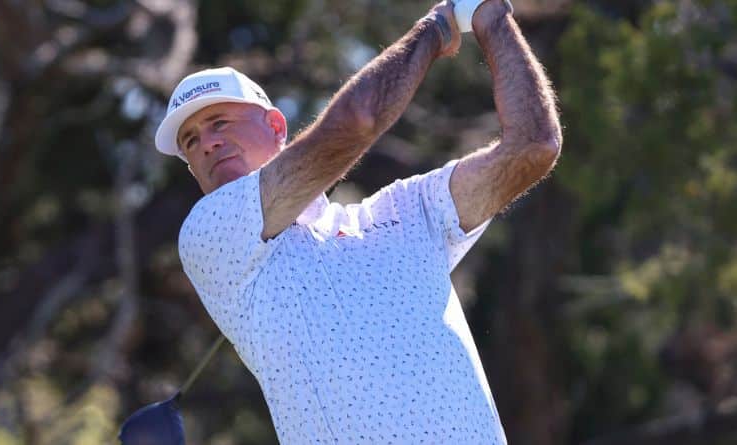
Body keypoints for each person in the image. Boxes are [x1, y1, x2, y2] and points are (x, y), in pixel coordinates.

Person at [154, 0, 561, 443]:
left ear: (275, 125)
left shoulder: (406, 213)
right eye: (190, 141)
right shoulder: (208, 234)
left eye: (219, 122)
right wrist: (437, 28)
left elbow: (534, 146)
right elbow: (358, 120)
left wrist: (491, 16)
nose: (207, 144)